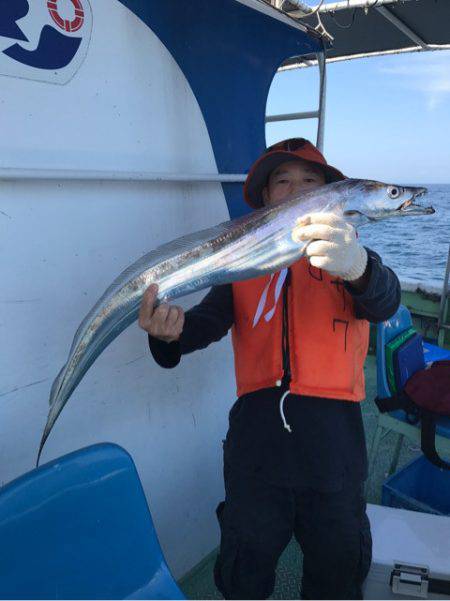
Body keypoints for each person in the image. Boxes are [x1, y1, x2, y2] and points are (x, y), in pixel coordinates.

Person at [138, 138, 401, 600]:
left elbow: (383, 301)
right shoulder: (244, 266)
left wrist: (358, 266)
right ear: (265, 198)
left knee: (337, 573)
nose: (297, 190)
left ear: (334, 198)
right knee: (244, 571)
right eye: (282, 182)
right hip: (256, 449)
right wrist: (167, 335)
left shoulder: (349, 260)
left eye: (310, 182)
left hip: (334, 449)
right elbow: (203, 325)